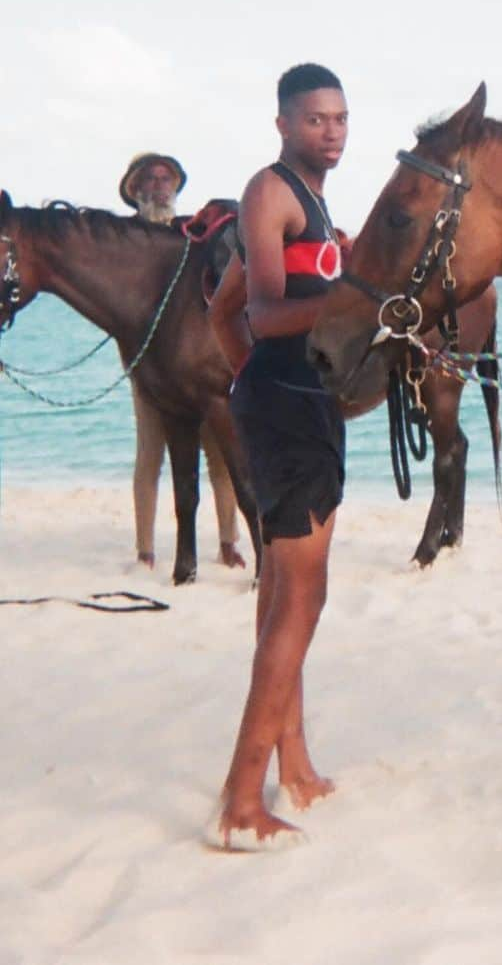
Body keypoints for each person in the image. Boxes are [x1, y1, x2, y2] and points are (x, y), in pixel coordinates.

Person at [205, 62, 348, 850]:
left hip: (298, 408)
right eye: (316, 119)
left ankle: (292, 765)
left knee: (281, 596)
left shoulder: (315, 203)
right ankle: (239, 803)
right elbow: (261, 308)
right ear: (285, 124)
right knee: (300, 599)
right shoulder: (270, 192)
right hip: (290, 417)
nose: (332, 131)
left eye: (340, 119)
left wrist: (242, 382)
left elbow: (223, 308)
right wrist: (354, 304)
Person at [118, 152, 243, 569]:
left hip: (199, 365)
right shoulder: (122, 243)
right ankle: (145, 550)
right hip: (147, 369)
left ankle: (229, 543)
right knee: (150, 457)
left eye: (166, 178)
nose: (159, 186)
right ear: (134, 190)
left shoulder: (190, 233)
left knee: (220, 456)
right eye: (150, 180)